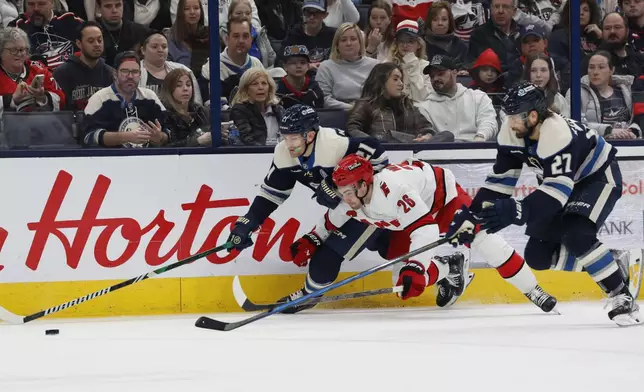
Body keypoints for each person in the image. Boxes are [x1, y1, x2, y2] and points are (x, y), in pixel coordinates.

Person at [447, 82, 642, 326]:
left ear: (533, 115)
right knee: (537, 256)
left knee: (577, 235)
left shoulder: (557, 133)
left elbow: (557, 192)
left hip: (597, 177)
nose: (509, 122)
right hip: (561, 183)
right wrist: (473, 216)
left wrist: (520, 210)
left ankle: (621, 295)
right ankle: (612, 261)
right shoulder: (513, 131)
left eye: (514, 116)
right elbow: (500, 182)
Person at [293, 154, 558, 311]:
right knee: (401, 282)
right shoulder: (352, 197)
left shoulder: (393, 191)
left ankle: (533, 289)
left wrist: (417, 267)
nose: (346, 198)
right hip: (410, 217)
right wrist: (313, 238)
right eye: (342, 193)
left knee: (484, 240)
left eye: (350, 191)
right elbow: (333, 218)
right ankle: (450, 267)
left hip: (444, 200)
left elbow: (426, 229)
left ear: (365, 184)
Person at [225, 104, 389, 311]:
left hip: (373, 211)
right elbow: (271, 194)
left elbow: (377, 153)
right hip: (343, 212)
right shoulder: (285, 154)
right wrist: (247, 223)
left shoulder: (335, 146)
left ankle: (308, 297)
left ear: (310, 135)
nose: (288, 144)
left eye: (294, 138)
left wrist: (338, 185)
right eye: (285, 137)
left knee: (325, 258)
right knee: (387, 245)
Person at [82, 51, 170, 148]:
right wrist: (125, 137)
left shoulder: (150, 97)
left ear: (140, 75)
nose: (130, 76)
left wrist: (160, 137)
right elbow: (87, 137)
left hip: (147, 159)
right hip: (111, 160)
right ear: (115, 74)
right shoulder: (100, 98)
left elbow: (169, 132)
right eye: (125, 71)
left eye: (135, 72)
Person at [53, 21, 115, 111]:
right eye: (91, 41)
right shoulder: (62, 73)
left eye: (99, 40)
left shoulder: (110, 73)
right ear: (79, 43)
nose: (97, 44)